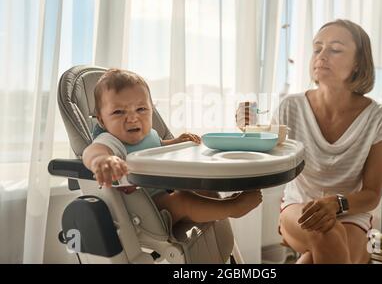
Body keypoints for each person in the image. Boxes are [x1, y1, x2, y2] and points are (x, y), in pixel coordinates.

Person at [271, 19, 382, 263]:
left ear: (357, 63)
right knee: (326, 232)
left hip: (351, 212)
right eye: (317, 48)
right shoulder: (291, 107)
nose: (321, 55)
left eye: (335, 49)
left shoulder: (381, 118)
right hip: (298, 208)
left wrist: (336, 203)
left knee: (326, 253)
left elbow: (372, 195)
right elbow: (268, 157)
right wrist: (247, 128)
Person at [82, 69, 262, 225]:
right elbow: (92, 151)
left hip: (164, 192)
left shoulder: (149, 134)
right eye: (118, 112)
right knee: (183, 200)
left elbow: (158, 147)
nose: (133, 118)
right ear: (101, 120)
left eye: (141, 109)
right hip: (143, 209)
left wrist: (176, 143)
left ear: (152, 109)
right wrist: (102, 160)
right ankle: (232, 208)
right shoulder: (111, 141)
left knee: (204, 188)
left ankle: (221, 206)